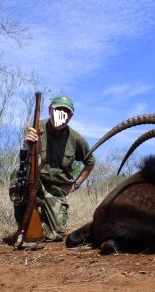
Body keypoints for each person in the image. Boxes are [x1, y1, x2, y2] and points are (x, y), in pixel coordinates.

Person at [9, 95, 95, 243]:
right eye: (57, 110)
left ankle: (40, 223)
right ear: (50, 110)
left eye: (65, 113)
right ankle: (22, 227)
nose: (61, 116)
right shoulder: (36, 129)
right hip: (34, 182)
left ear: (70, 116)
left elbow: (90, 162)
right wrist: (29, 145)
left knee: (55, 235)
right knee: (19, 173)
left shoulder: (76, 138)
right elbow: (25, 161)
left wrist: (76, 184)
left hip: (56, 189)